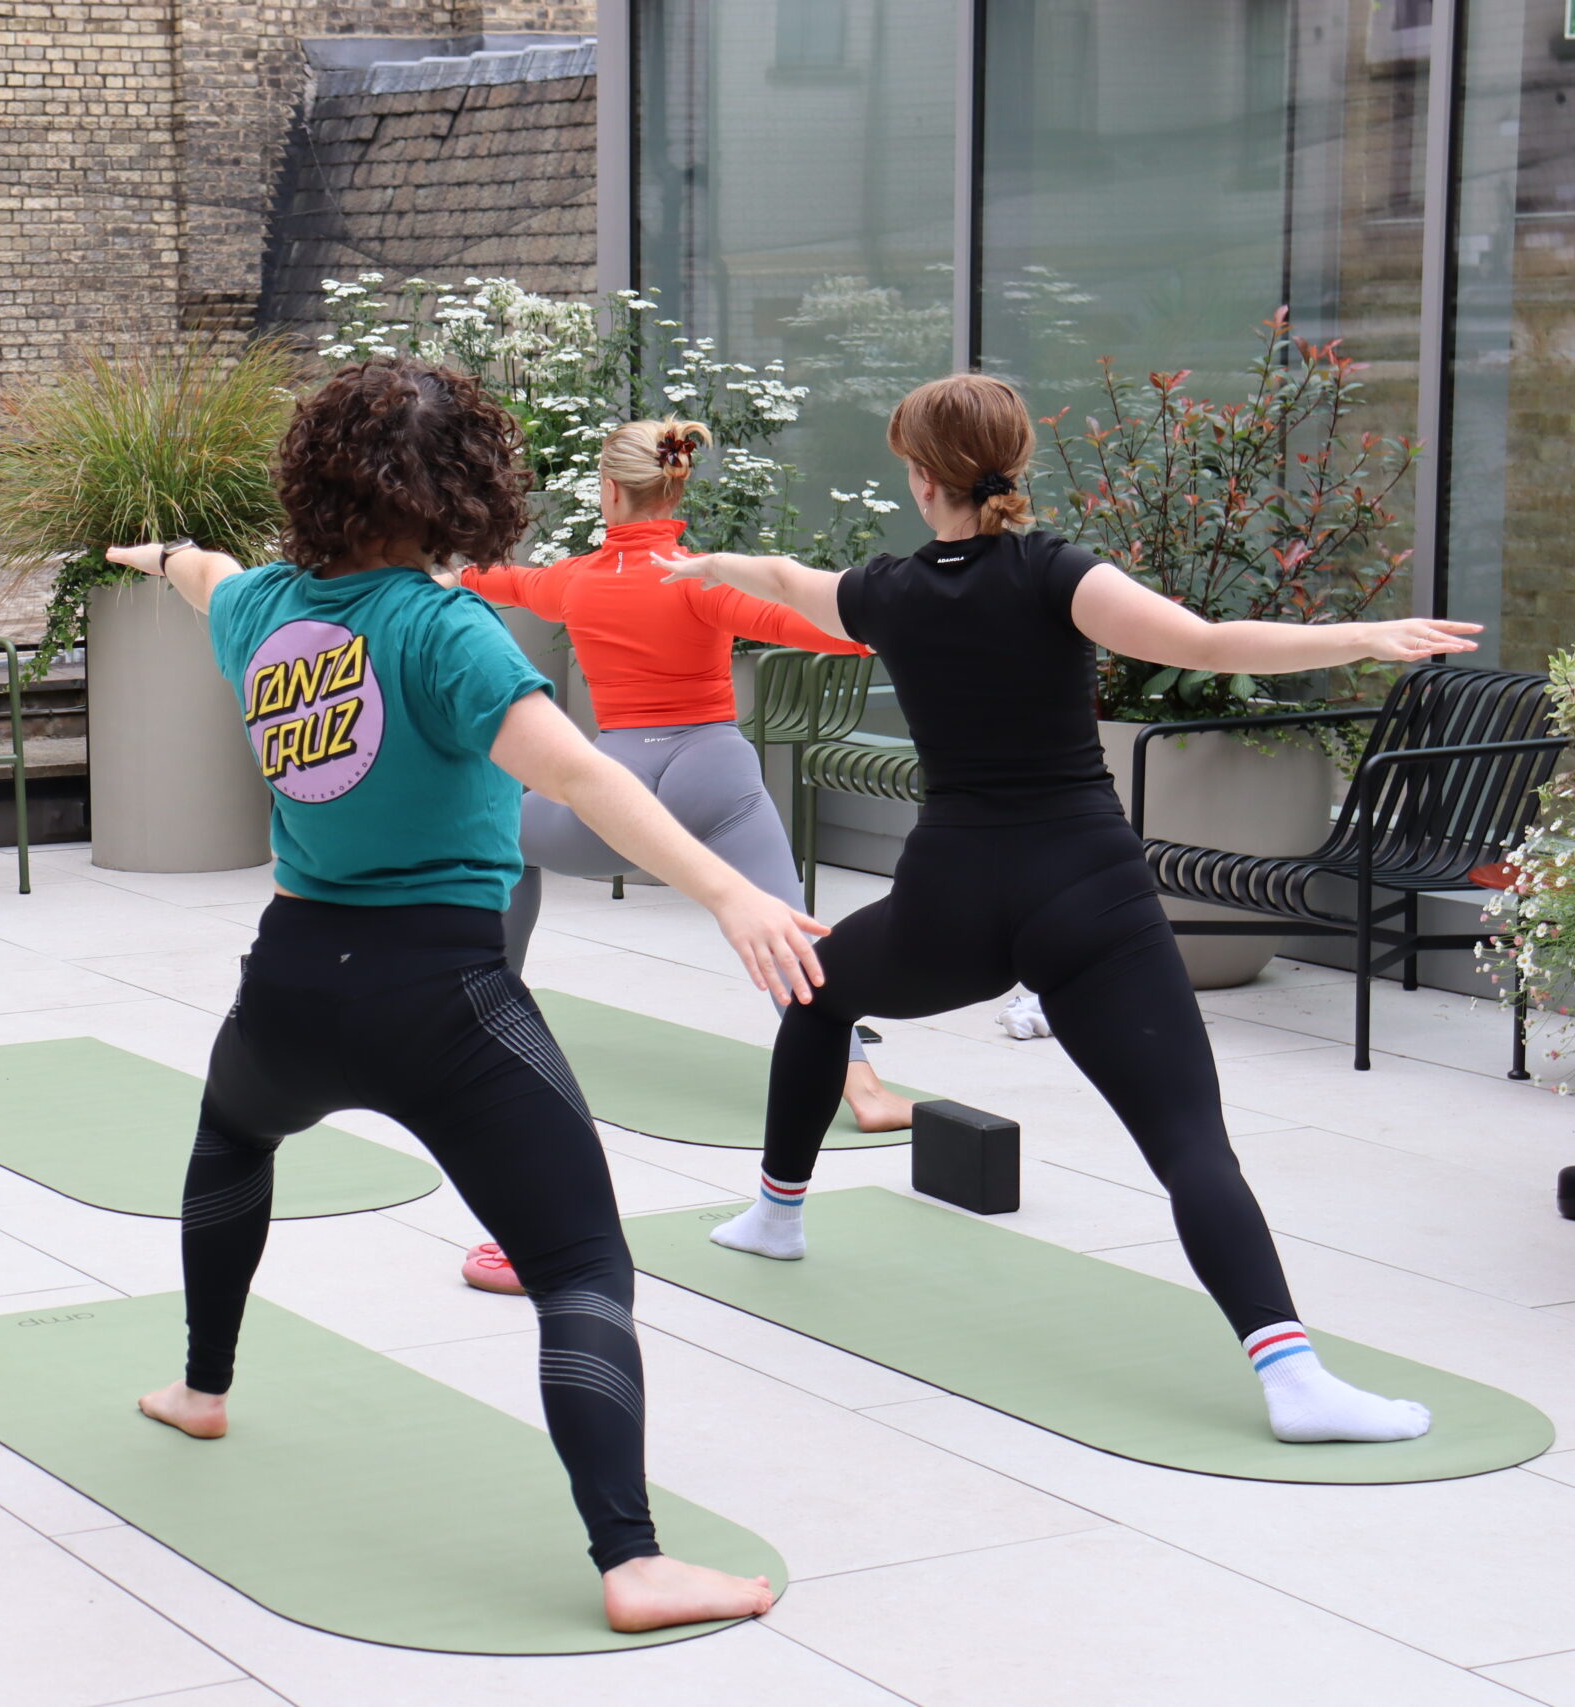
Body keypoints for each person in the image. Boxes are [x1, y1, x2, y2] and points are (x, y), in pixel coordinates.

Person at [105, 358, 832, 1633]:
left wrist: (151, 550)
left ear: (314, 476)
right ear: (466, 492)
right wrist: (731, 892)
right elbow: (586, 777)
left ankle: (201, 1387)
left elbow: (203, 573)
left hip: (289, 981)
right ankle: (631, 1560)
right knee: (580, 1264)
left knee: (231, 1140)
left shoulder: (260, 609)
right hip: (442, 996)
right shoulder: (447, 630)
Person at [656, 372, 1471, 1445]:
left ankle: (774, 1214)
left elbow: (776, 576)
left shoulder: (885, 591)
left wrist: (697, 562)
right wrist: (1362, 639)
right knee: (1190, 1145)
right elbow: (1210, 643)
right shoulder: (1056, 575)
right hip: (1087, 894)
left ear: (917, 476)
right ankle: (1291, 1377)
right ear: (1014, 460)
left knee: (816, 991)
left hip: (947, 901)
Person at [458, 418, 911, 1133]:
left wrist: (439, 576)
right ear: (676, 488)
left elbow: (501, 583)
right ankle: (866, 1092)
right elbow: (814, 627)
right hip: (716, 774)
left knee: (499, 838)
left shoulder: (575, 583)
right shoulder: (702, 579)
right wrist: (896, 626)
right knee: (788, 932)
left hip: (617, 792)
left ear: (610, 492)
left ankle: (491, 1015)